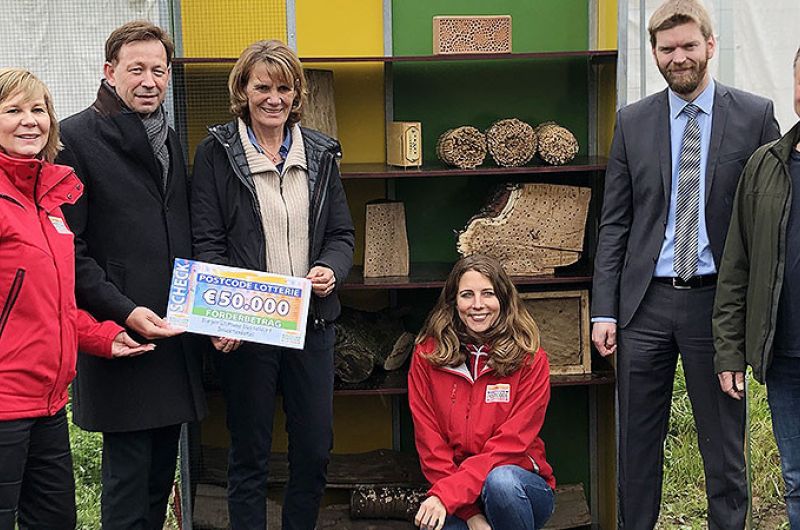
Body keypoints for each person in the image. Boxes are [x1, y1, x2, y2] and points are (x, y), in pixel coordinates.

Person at [590, 0, 781, 528]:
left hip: (716, 306)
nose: (679, 57)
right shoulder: (632, 122)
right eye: (667, 48)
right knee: (637, 448)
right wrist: (603, 310)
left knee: (724, 449)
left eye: (689, 46)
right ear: (653, 53)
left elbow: (773, 212)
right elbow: (615, 224)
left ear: (710, 46)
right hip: (644, 307)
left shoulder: (754, 115)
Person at [191, 39, 355, 529]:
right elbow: (208, 240)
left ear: (297, 93)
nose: (274, 98)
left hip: (313, 323)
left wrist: (331, 266)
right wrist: (221, 317)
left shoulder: (322, 153)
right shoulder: (217, 151)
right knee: (250, 453)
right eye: (262, 86)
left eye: (284, 87)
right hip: (250, 322)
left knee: (313, 449)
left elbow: (342, 234)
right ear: (243, 89)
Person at [56, 21, 206, 529]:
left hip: (172, 328)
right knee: (126, 480)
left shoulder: (169, 133)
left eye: (158, 70)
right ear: (109, 71)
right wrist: (121, 309)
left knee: (162, 472)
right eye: (136, 69)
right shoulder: (75, 139)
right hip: (120, 330)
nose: (149, 80)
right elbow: (70, 250)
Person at [0, 68, 153, 529]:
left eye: (38, 109)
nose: (30, 121)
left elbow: (54, 306)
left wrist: (105, 337)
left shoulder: (46, 203)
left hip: (48, 405)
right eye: (13, 110)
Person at [713, 45, 800, 528]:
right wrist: (728, 352)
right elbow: (736, 268)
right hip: (787, 355)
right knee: (796, 475)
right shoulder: (766, 166)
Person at [408, 254, 555, 530]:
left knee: (501, 483)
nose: (477, 305)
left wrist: (449, 494)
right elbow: (430, 445)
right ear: (453, 302)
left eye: (487, 294)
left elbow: (509, 447)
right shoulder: (427, 356)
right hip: (456, 491)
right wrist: (471, 514)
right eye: (467, 295)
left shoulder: (530, 360)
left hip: (518, 485)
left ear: (503, 300)